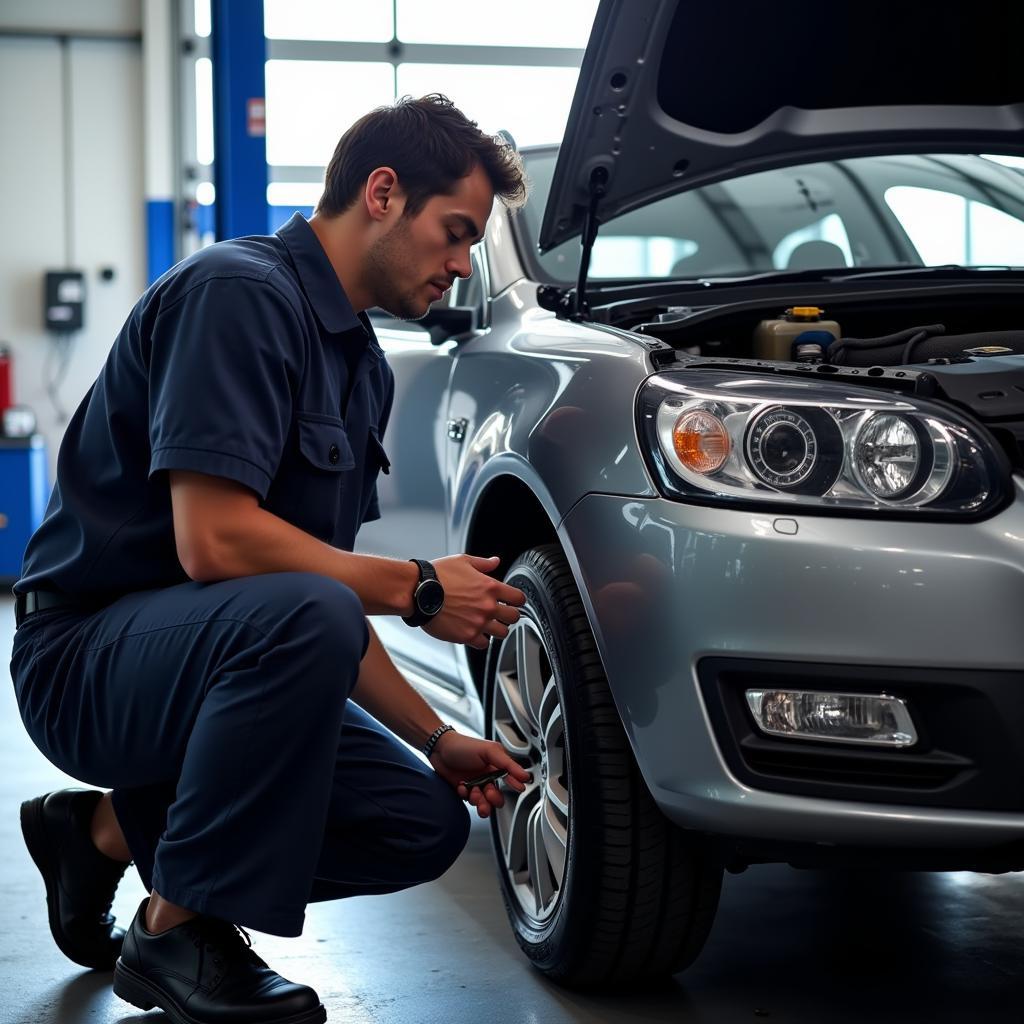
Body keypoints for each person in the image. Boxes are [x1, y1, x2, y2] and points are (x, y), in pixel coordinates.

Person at [10, 93, 531, 1024]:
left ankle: (97, 834)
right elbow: (215, 545)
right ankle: (174, 929)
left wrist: (439, 739)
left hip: (206, 664)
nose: (461, 266)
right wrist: (415, 589)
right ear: (382, 193)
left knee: (421, 826)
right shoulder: (238, 294)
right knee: (313, 612)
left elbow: (312, 590)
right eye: (455, 233)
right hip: (85, 663)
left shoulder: (361, 366)